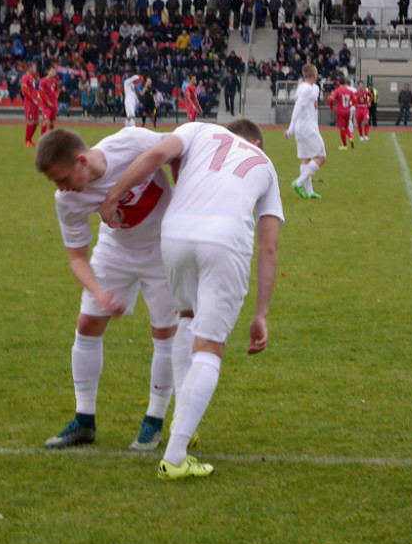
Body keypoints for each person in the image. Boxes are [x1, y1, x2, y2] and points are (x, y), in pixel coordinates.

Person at [99, 119, 283, 480]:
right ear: (257, 141)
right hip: (224, 239)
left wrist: (113, 195)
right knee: (210, 346)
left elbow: (157, 154)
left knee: (187, 314)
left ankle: (183, 422)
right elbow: (270, 245)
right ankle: (175, 455)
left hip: (176, 231)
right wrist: (261, 313)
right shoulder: (265, 164)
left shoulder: (199, 129)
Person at [35, 127, 181, 452]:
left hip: (164, 247)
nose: (60, 188)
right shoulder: (67, 200)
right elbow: (77, 259)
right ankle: (84, 420)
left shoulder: (131, 142)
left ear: (82, 160)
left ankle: (153, 423)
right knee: (87, 324)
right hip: (116, 249)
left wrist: (182, 195)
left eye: (61, 178)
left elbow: (179, 148)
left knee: (165, 333)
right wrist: (100, 294)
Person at [284, 63, 325, 200]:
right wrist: (290, 128)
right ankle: (299, 182)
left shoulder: (307, 88)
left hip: (301, 128)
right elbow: (298, 107)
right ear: (314, 75)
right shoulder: (307, 89)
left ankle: (309, 192)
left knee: (306, 158)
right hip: (308, 127)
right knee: (321, 156)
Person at [327, 75, 354, 150]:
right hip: (348, 111)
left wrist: (331, 106)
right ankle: (351, 137)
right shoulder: (350, 91)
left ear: (339, 83)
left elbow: (331, 99)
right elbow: (355, 99)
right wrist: (350, 104)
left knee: (342, 128)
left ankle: (344, 145)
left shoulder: (337, 91)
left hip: (340, 111)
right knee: (346, 127)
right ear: (345, 82)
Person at [20, 62, 41, 147]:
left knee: (36, 121)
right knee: (31, 121)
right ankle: (27, 141)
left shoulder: (32, 77)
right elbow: (24, 91)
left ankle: (30, 140)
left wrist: (37, 94)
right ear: (29, 68)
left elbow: (32, 89)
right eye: (34, 67)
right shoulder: (25, 77)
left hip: (35, 101)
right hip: (29, 102)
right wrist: (32, 99)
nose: (35, 69)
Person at [38, 66, 60, 136]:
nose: (53, 73)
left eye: (54, 72)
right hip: (46, 104)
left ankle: (51, 139)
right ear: (48, 72)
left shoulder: (54, 81)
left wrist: (56, 95)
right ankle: (43, 138)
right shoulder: (43, 81)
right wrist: (47, 101)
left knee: (52, 122)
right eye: (52, 71)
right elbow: (41, 92)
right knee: (46, 121)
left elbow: (57, 90)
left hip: (54, 104)